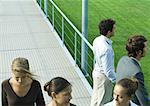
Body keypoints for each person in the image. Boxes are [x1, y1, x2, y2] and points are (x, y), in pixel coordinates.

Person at [116, 35, 150, 106]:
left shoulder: (123, 59)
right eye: (145, 47)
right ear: (139, 52)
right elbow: (143, 99)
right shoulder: (137, 72)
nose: (147, 49)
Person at [91, 19, 116, 106]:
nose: (115, 30)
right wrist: (116, 81)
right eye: (114, 29)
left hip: (96, 73)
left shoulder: (97, 40)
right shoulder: (107, 49)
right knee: (103, 102)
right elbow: (108, 70)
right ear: (109, 32)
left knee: (95, 99)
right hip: (103, 78)